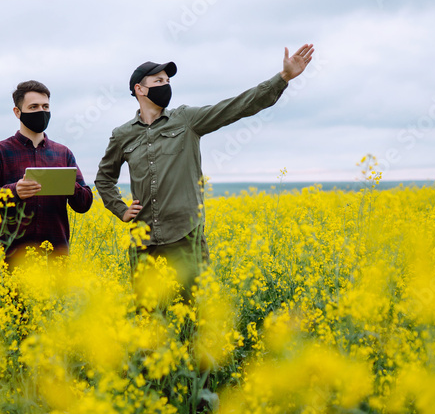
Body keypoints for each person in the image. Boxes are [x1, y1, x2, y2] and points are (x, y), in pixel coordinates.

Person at [95, 44, 315, 297]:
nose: (166, 85)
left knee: (194, 313)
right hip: (143, 240)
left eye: (167, 80)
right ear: (139, 89)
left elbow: (236, 107)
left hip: (185, 236)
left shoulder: (186, 119)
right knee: (148, 316)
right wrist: (120, 209)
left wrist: (283, 78)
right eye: (159, 80)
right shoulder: (123, 134)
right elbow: (104, 178)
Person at [0, 80, 93, 267]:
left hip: (55, 257)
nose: (41, 112)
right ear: (17, 112)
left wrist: (70, 187)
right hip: (10, 258)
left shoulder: (63, 153)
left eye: (46, 106)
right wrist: (14, 192)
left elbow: (84, 203)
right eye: (33, 106)